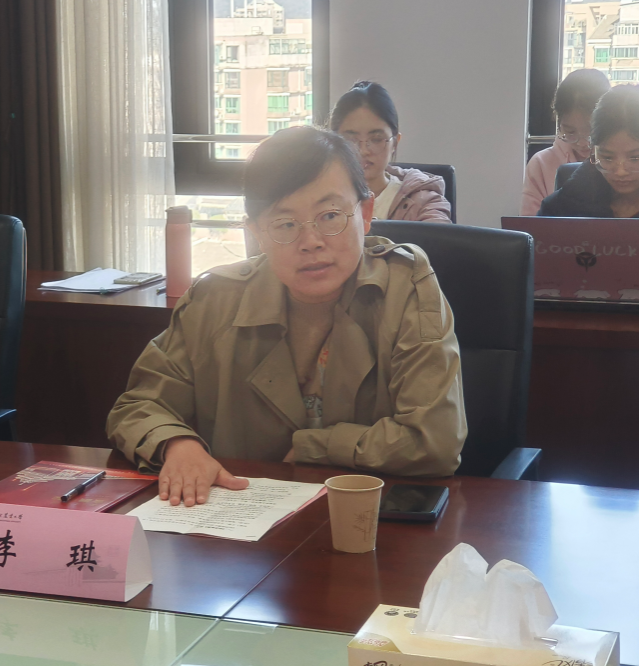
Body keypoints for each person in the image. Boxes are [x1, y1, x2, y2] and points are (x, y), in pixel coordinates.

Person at [107, 127, 467, 507]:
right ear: (256, 234)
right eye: (285, 224)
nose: (311, 241)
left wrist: (316, 447)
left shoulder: (405, 287)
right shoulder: (214, 300)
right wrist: (177, 445)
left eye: (330, 215)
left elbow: (435, 440)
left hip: (364, 517)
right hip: (241, 519)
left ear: (365, 213)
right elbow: (138, 406)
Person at [539, 85, 639, 218]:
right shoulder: (563, 205)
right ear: (593, 149)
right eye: (607, 157)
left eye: (635, 158)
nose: (620, 172)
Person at [330, 80, 451, 223]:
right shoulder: (317, 194)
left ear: (395, 143)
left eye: (376, 139)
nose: (363, 151)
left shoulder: (422, 200)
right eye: (351, 140)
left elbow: (439, 232)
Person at [521, 69, 610, 215]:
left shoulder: (621, 164)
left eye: (590, 132)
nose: (582, 143)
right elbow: (531, 225)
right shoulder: (541, 164)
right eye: (570, 132)